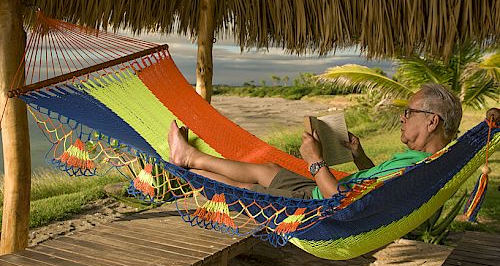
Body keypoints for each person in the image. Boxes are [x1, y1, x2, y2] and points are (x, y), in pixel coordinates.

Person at [168, 83, 463, 199]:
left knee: (250, 190)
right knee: (267, 168)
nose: (402, 118)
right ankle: (189, 162)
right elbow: (378, 181)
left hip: (318, 204)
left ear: (431, 121)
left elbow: (341, 202)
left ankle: (185, 166)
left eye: (408, 112)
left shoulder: (417, 170)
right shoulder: (424, 163)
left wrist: (314, 159)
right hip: (326, 189)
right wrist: (359, 156)